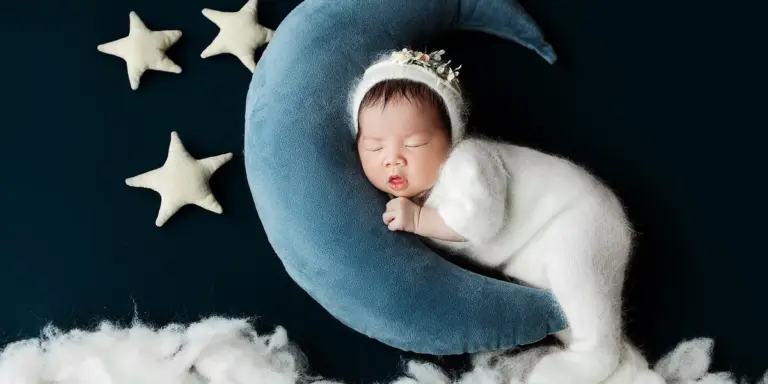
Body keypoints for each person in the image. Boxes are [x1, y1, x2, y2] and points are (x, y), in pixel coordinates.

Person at [348, 48, 655, 384]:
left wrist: (420, 220)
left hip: (575, 214)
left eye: (415, 143)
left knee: (579, 286)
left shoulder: (468, 162)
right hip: (528, 248)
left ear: (450, 139)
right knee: (569, 310)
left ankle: (595, 355)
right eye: (375, 146)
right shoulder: (410, 190)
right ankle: (625, 370)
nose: (393, 158)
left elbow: (478, 222)